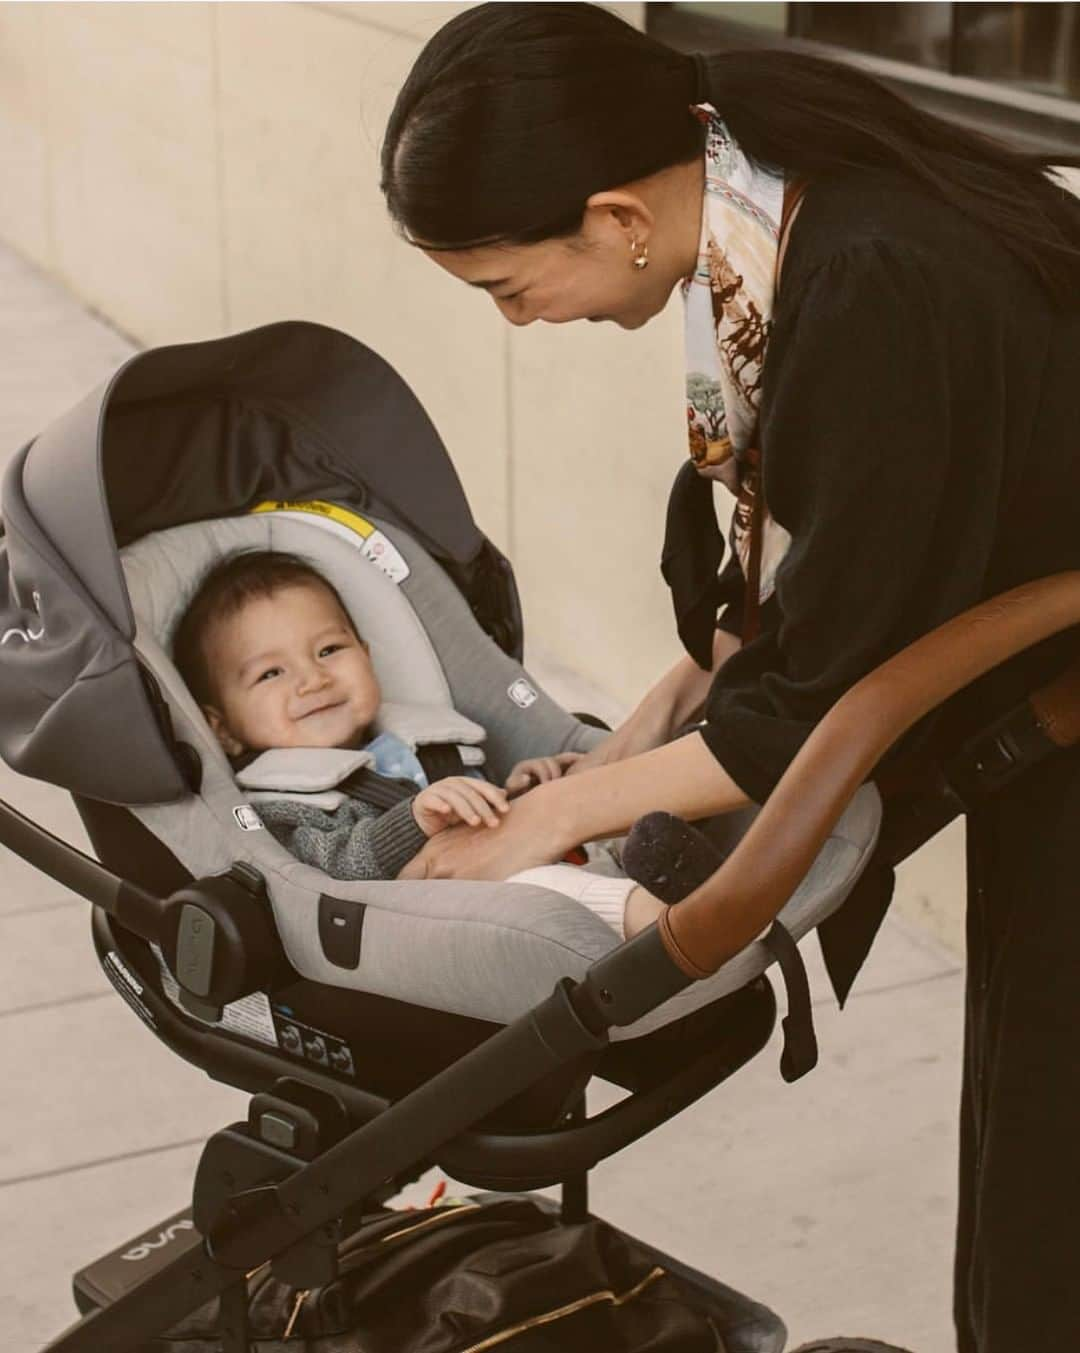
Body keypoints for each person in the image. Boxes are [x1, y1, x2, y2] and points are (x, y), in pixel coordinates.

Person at [378, 5, 1080, 1350]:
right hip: (1044, 698)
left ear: (614, 218)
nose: (519, 324)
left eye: (506, 287)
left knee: (1059, 1139)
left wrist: (545, 822)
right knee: (1039, 1117)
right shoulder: (773, 229)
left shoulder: (874, 281)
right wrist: (623, 744)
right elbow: (781, 594)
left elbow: (820, 692)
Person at [172, 548, 668, 938]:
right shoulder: (282, 804)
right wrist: (411, 821)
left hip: (535, 852)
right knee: (546, 890)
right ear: (223, 728)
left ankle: (671, 857)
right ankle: (660, 918)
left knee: (592, 790)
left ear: (366, 655)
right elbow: (331, 870)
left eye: (329, 649)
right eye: (271, 673)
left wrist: (515, 789)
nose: (313, 678)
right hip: (467, 910)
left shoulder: (425, 743)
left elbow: (486, 815)